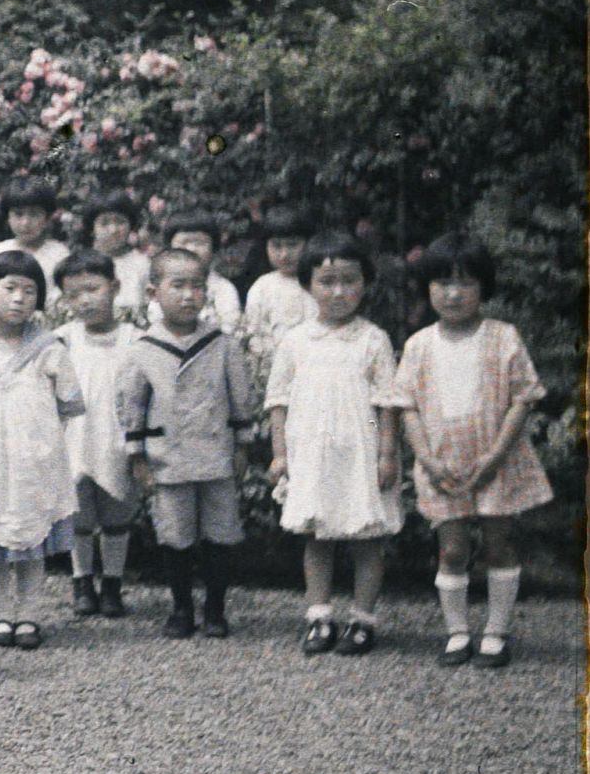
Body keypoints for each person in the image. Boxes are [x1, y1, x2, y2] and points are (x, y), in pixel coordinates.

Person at [394, 234, 552, 669]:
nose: (453, 293)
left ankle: (496, 632)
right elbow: (406, 407)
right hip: (443, 464)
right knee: (453, 550)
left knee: (499, 545)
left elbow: (523, 398)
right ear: (428, 289)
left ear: (483, 287)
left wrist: (496, 456)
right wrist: (426, 459)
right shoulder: (419, 345)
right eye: (442, 283)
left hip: (496, 461)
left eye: (465, 283)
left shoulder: (503, 338)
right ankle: (457, 631)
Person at [266, 232, 403, 656]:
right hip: (313, 451)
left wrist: (386, 454)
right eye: (327, 282)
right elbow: (278, 401)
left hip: (361, 451)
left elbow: (387, 402)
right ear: (308, 285)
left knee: (367, 537)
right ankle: (319, 616)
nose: (339, 292)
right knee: (317, 536)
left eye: (349, 280)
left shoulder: (373, 339)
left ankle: (363, 620)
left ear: (365, 284)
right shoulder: (295, 340)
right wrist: (280, 454)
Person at [117, 248, 259, 638]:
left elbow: (240, 396)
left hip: (216, 454)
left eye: (197, 286)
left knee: (220, 533)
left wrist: (243, 445)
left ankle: (215, 608)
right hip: (169, 458)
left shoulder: (223, 345)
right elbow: (132, 404)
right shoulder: (144, 349)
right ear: (153, 292)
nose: (187, 295)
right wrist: (137, 456)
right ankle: (181, 608)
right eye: (177, 285)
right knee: (175, 535)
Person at [0, 251, 82, 650]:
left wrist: (42, 443)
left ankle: (28, 615)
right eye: (9, 288)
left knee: (32, 541)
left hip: (37, 460)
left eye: (29, 291)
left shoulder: (49, 349)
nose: (18, 298)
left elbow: (67, 406)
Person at [52, 251, 140, 618]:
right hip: (73, 437)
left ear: (114, 287)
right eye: (74, 294)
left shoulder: (135, 339)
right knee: (80, 514)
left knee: (117, 512)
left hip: (116, 436)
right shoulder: (62, 339)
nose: (85, 300)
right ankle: (82, 581)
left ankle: (113, 584)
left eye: (93, 289)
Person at [241, 206, 318, 388]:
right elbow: (254, 334)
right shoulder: (262, 287)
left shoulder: (319, 283)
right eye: (276, 246)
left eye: (292, 245)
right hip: (275, 374)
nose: (284, 254)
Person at [0, 178, 69, 308]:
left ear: (47, 218)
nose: (25, 223)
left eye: (34, 214)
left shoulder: (59, 255)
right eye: (18, 214)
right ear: (8, 217)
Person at [148, 211, 242, 334]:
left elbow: (230, 327)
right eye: (184, 242)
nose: (191, 249)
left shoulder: (224, 289)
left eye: (199, 243)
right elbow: (155, 319)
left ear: (213, 249)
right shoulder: (163, 286)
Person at [81, 190, 151, 319]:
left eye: (120, 222)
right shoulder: (80, 265)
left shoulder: (143, 265)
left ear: (131, 226)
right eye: (104, 223)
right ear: (92, 229)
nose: (113, 230)